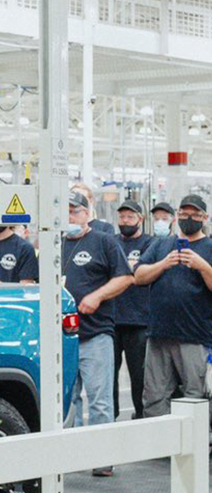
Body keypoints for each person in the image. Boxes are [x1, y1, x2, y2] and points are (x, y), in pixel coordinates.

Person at [61, 189, 133, 473]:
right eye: (64, 211)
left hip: (96, 334)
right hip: (62, 338)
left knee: (100, 401)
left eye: (75, 211)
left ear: (87, 213)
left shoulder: (103, 241)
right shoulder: (54, 244)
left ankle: (102, 459)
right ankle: (73, 455)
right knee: (68, 401)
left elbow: (126, 277)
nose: (70, 217)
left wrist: (97, 296)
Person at [134, 194, 212, 419]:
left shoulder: (208, 247)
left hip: (195, 337)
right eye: (184, 213)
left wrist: (202, 266)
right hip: (159, 334)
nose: (189, 218)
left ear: (204, 218)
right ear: (176, 217)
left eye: (195, 214)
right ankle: (159, 448)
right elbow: (139, 276)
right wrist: (163, 263)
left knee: (195, 397)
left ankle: (195, 449)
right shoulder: (161, 245)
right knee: (154, 397)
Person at [112, 200, 152, 420]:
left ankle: (141, 415)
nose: (125, 221)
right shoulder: (111, 242)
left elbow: (139, 275)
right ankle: (111, 415)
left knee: (140, 375)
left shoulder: (150, 244)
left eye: (129, 217)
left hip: (139, 321)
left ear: (140, 219)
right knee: (109, 375)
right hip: (112, 320)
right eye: (121, 217)